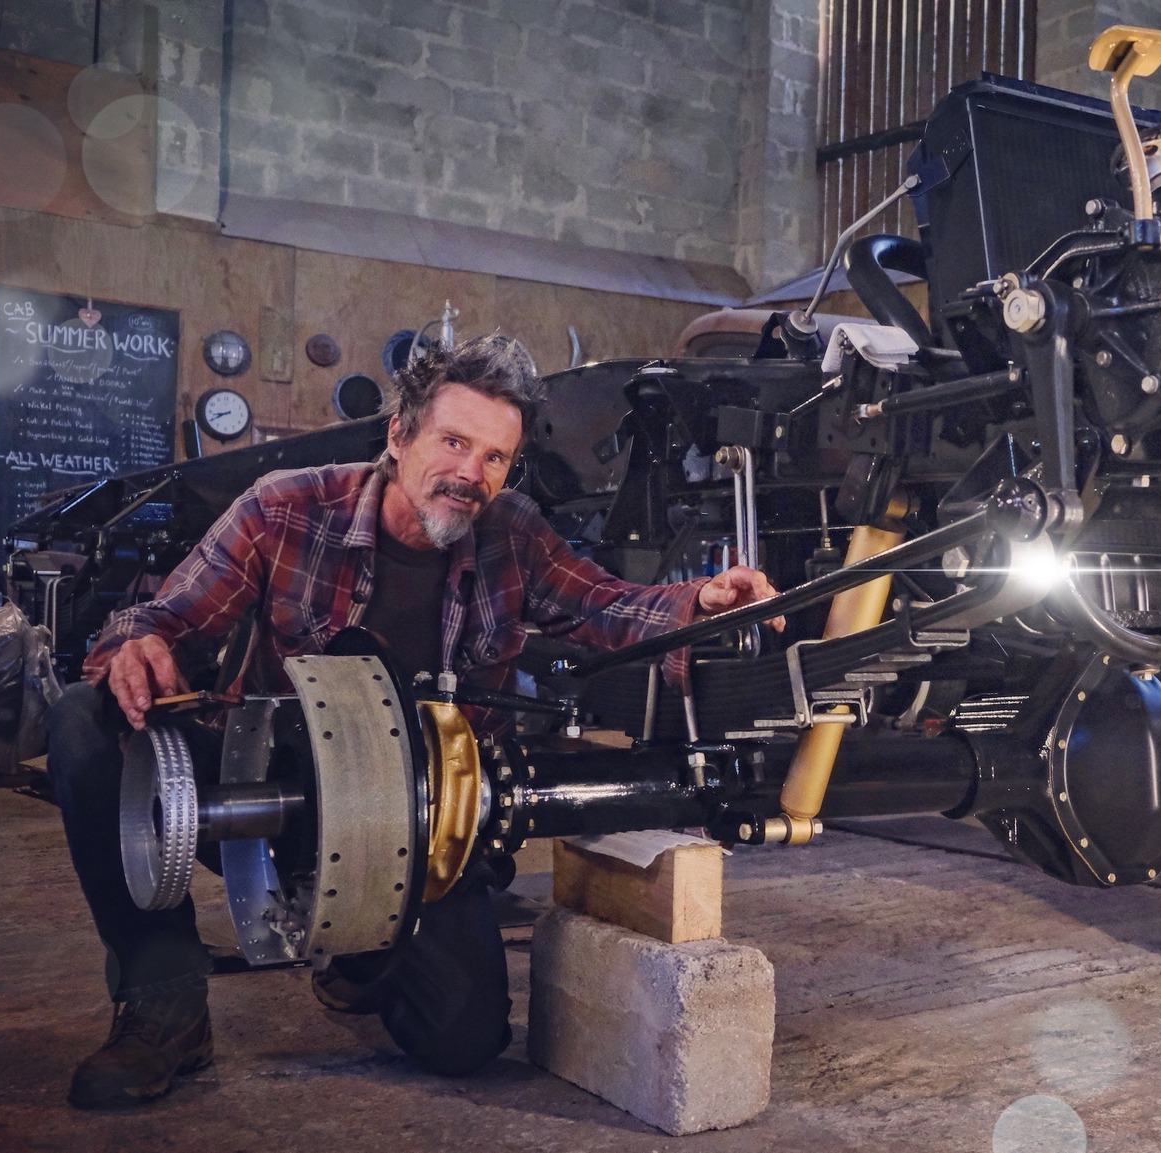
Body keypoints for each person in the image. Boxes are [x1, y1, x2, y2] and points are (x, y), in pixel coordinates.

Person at [48, 333, 781, 1108]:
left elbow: (604, 605)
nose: (471, 474)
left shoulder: (514, 532)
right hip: (264, 804)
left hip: (420, 827)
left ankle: (355, 955)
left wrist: (698, 603)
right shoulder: (286, 508)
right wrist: (140, 645)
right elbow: (165, 618)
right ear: (399, 436)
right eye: (454, 441)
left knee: (463, 1039)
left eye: (495, 457)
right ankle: (164, 1000)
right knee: (84, 723)